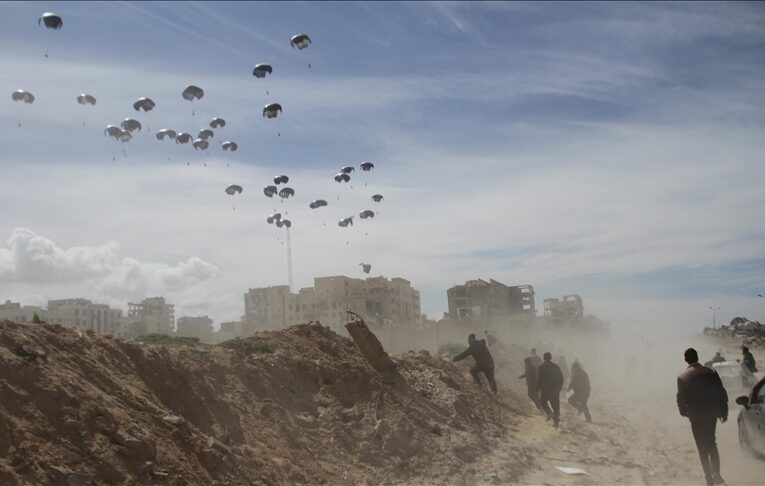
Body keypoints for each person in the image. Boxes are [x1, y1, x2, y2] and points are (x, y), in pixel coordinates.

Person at [677, 348, 728, 486]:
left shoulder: (683, 377)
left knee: (701, 447)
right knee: (712, 442)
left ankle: (708, 478)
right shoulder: (711, 372)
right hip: (712, 413)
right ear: (697, 357)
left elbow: (681, 399)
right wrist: (724, 411)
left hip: (696, 416)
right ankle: (716, 473)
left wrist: (685, 413)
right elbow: (721, 392)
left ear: (686, 359)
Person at [537, 352, 564, 427]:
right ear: (551, 358)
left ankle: (549, 413)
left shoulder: (541, 366)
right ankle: (556, 421)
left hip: (545, 389)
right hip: (555, 389)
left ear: (544, 358)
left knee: (542, 402)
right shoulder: (556, 366)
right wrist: (559, 387)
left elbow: (539, 379)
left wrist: (537, 388)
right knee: (556, 405)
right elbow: (561, 378)